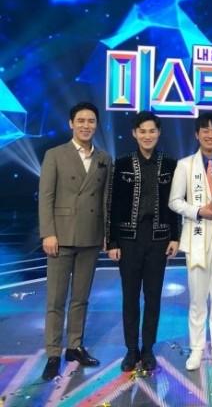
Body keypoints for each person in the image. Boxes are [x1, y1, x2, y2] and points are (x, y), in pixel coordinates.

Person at [38, 102, 112, 381]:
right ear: (71, 123)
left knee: (81, 297)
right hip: (61, 235)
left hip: (91, 235)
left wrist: (106, 234)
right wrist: (48, 233)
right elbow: (46, 197)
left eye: (91, 121)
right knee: (56, 299)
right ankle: (53, 353)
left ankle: (74, 346)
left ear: (96, 124)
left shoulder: (104, 158)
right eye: (80, 120)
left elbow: (105, 199)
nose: (86, 125)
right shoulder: (55, 154)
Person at [106, 111, 180, 373]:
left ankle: (148, 348)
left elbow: (175, 204)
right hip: (129, 239)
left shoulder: (170, 164)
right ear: (134, 134)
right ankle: (131, 349)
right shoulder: (122, 163)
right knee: (129, 296)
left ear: (158, 133)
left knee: (153, 296)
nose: (147, 136)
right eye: (143, 131)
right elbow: (113, 204)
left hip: (158, 238)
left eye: (152, 131)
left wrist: (175, 236)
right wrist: (112, 241)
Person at [168, 113, 212, 371]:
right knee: (197, 300)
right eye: (205, 130)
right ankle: (197, 348)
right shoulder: (185, 165)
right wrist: (198, 211)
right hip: (196, 239)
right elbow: (174, 201)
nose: (210, 135)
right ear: (197, 134)